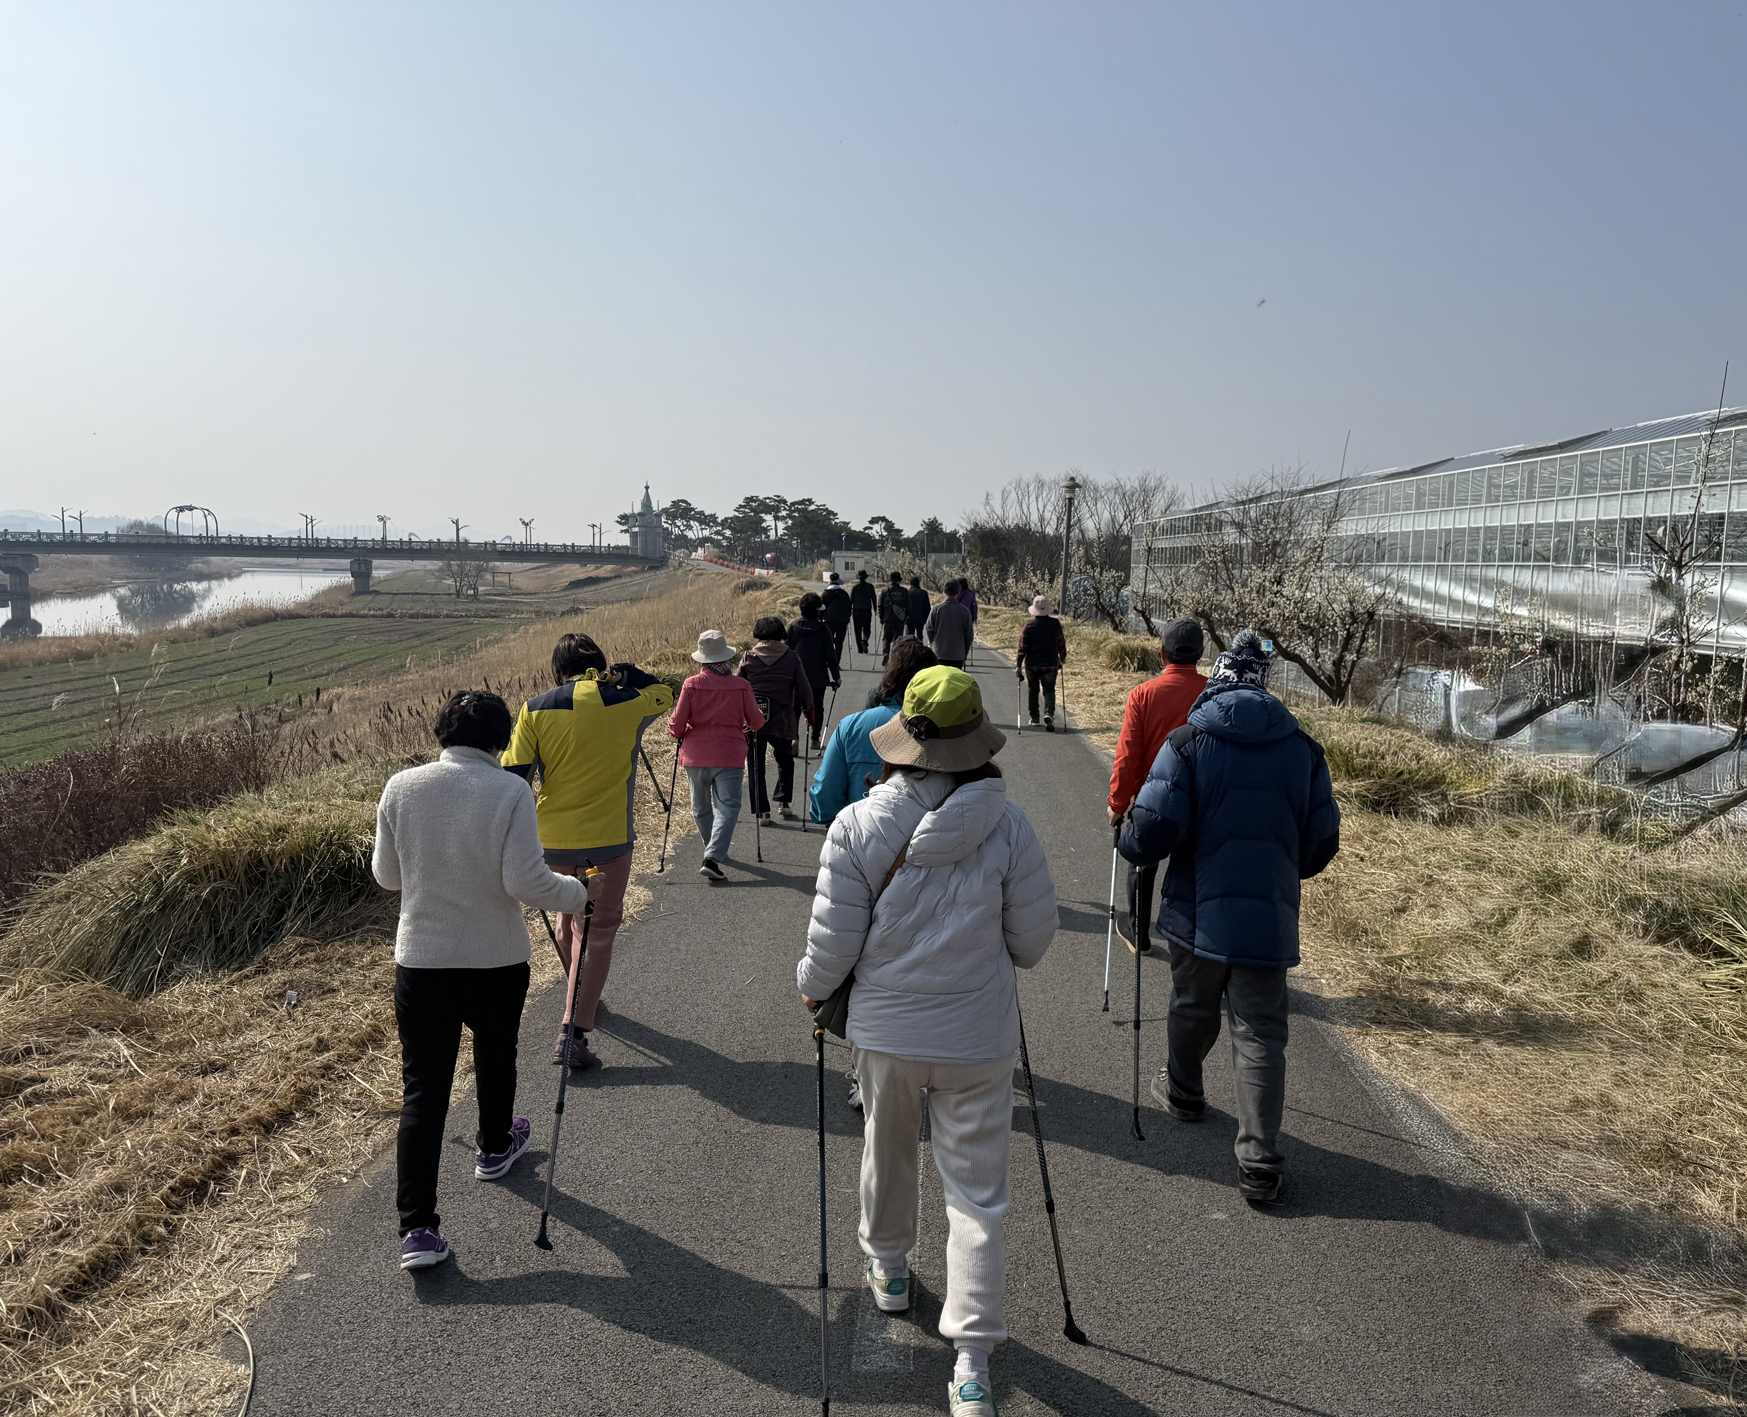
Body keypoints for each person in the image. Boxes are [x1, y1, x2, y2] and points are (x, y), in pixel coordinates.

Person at [798, 667, 1057, 1417]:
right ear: (976, 740)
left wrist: (809, 985)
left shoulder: (855, 824)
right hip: (977, 1034)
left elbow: (831, 949)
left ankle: (888, 1267)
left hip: (886, 1030)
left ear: (904, 736)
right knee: (978, 1195)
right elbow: (1032, 943)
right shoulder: (1007, 824)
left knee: (887, 1145)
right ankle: (971, 1361)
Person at [1117, 630, 1341, 1205]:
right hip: (1268, 918)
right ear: (1264, 687)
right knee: (1260, 1031)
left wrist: (1132, 838)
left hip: (1197, 913)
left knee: (1191, 1004)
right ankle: (1260, 1161)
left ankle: (1185, 1094)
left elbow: (1153, 830)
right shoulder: (1304, 749)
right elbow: (1321, 843)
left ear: (1217, 682)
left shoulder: (1189, 742)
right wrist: (1282, 870)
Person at [373, 690, 591, 1271]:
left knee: (425, 1090)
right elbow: (526, 881)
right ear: (499, 740)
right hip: (495, 957)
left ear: (442, 732)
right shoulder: (510, 790)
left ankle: (417, 1228)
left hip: (421, 960)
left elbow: (387, 877)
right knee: (497, 1055)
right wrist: (577, 893)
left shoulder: (401, 786)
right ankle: (495, 1147)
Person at [502, 633, 675, 1073]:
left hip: (552, 838)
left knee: (566, 916)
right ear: (600, 663)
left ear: (557, 669)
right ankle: (574, 1031)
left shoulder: (534, 708)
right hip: (608, 839)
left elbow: (514, 776)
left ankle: (579, 994)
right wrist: (629, 674)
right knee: (596, 932)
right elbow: (664, 693)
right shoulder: (628, 701)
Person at [1107, 618, 1206, 954]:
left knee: (1142, 861)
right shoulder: (1213, 694)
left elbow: (1127, 754)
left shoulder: (1143, 695)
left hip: (1153, 800)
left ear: (1161, 653)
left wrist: (1118, 803)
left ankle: (1139, 933)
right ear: (1201, 653)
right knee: (1193, 869)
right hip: (1201, 799)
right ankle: (1196, 943)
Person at [669, 630, 764, 882]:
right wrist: (761, 716)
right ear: (726, 658)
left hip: (695, 754)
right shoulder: (742, 686)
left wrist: (675, 728)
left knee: (700, 807)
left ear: (703, 660)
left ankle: (711, 850)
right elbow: (755, 722)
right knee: (728, 806)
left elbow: (677, 725)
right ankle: (713, 854)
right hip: (729, 753)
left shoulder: (691, 684)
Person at [808, 640, 937, 826]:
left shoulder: (850, 726)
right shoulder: (944, 727)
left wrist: (833, 819)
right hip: (923, 838)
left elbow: (825, 791)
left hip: (860, 831)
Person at [740, 615, 814, 821]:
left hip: (754, 717)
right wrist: (810, 710)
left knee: (756, 765)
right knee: (785, 759)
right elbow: (804, 688)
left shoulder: (748, 657)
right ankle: (783, 801)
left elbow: (738, 686)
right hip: (783, 718)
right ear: (781, 634)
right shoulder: (791, 656)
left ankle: (762, 811)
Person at [788, 591, 840, 751]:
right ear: (818, 611)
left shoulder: (794, 627)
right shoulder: (823, 629)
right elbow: (830, 656)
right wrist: (836, 677)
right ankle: (815, 739)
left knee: (795, 707)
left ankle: (794, 738)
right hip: (818, 676)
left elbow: (787, 650)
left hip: (796, 675)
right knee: (818, 706)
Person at [1014, 595, 1067, 731]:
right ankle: (1049, 713)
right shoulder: (1056, 624)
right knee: (1049, 690)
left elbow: (1022, 648)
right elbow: (1061, 643)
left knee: (1033, 690)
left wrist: (1018, 665)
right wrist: (1062, 657)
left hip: (1032, 665)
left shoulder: (1029, 626)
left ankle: (1035, 718)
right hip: (1050, 663)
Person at [924, 578, 975, 668]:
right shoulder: (964, 611)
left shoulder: (936, 609)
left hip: (939, 653)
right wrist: (964, 651)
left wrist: (934, 644)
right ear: (959, 592)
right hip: (957, 655)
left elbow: (929, 629)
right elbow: (969, 635)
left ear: (944, 591)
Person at [821, 571, 854, 663]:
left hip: (828, 621)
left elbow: (821, 608)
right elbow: (849, 607)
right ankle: (836, 661)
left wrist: (821, 619)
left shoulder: (825, 594)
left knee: (828, 642)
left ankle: (828, 661)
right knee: (839, 642)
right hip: (842, 622)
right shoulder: (844, 594)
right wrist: (848, 618)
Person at [878, 571, 909, 664]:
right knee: (898, 638)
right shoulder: (904, 591)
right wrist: (906, 616)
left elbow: (880, 605)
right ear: (899, 580)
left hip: (888, 618)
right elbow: (909, 605)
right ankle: (895, 656)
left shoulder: (885, 591)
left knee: (886, 637)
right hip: (900, 617)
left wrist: (881, 617)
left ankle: (885, 653)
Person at [850, 569, 878, 654]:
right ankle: (865, 640)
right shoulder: (870, 587)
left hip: (856, 610)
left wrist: (849, 610)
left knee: (857, 630)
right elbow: (874, 598)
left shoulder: (855, 587)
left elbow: (851, 600)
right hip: (866, 610)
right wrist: (875, 609)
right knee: (867, 628)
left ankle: (859, 648)